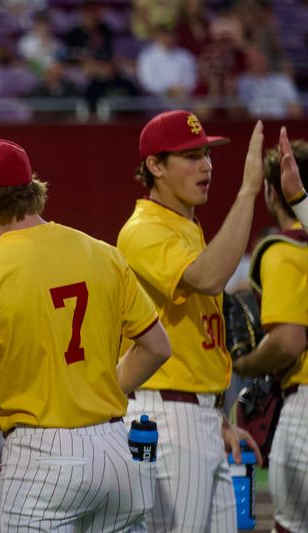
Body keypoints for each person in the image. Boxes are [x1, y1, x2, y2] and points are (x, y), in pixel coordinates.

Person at [0, 138, 172, 532]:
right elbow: (156, 347)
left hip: (42, 456)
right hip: (116, 448)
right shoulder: (101, 252)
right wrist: (100, 390)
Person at [117, 110, 264, 531]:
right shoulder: (143, 229)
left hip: (199, 414)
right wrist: (248, 192)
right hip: (166, 415)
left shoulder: (186, 227)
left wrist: (218, 418)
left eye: (207, 154)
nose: (207, 165)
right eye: (190, 156)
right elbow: (208, 276)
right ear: (155, 166)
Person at [232, 127, 308, 533]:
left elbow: (288, 341)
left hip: (305, 403)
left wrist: (247, 362)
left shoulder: (281, 250)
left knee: (289, 526)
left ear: (270, 193)